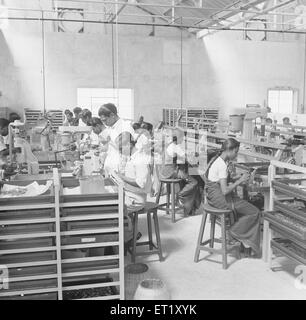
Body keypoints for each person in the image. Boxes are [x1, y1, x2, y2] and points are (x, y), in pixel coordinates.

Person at [205, 138, 261, 257]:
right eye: (236, 152)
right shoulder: (222, 165)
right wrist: (240, 180)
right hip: (220, 199)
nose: (236, 155)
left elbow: (221, 180)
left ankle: (242, 240)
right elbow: (225, 190)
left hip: (212, 197)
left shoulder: (218, 159)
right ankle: (234, 232)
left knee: (244, 207)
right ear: (229, 150)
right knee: (255, 212)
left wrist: (237, 177)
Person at [112, 132, 152, 244]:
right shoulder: (132, 157)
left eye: (121, 148)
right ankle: (127, 234)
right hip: (130, 194)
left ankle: (128, 237)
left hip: (137, 199)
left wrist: (122, 177)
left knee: (113, 210)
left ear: (129, 144)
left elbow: (140, 183)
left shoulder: (140, 159)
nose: (120, 151)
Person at [159, 128, 202, 216]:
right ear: (178, 137)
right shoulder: (176, 147)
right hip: (171, 172)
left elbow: (181, 155)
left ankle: (186, 203)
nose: (183, 140)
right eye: (182, 138)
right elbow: (188, 159)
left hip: (164, 171)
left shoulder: (170, 145)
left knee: (185, 174)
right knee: (194, 181)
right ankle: (180, 195)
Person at [98, 103, 134, 174]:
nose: (104, 123)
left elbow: (125, 151)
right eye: (102, 121)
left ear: (112, 115)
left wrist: (122, 171)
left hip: (119, 169)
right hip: (111, 167)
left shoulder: (125, 127)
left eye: (105, 120)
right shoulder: (111, 127)